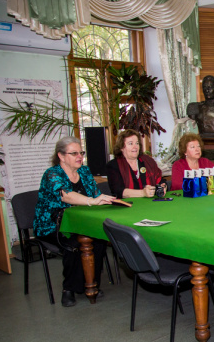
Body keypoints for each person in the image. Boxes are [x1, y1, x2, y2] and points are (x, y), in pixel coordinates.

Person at [34, 136, 114, 307]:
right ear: (61, 156)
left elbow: (95, 194)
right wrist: (91, 201)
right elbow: (66, 196)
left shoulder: (84, 172)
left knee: (98, 240)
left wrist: (104, 200)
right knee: (74, 243)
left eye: (81, 152)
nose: (80, 156)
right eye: (74, 153)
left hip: (81, 222)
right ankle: (69, 289)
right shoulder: (52, 174)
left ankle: (91, 283)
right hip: (52, 225)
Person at [106, 129, 166, 199]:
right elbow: (118, 191)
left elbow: (160, 181)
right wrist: (142, 193)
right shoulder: (113, 165)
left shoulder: (148, 161)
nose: (135, 147)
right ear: (121, 147)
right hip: (127, 206)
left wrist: (163, 186)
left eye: (137, 143)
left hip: (150, 204)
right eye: (130, 143)